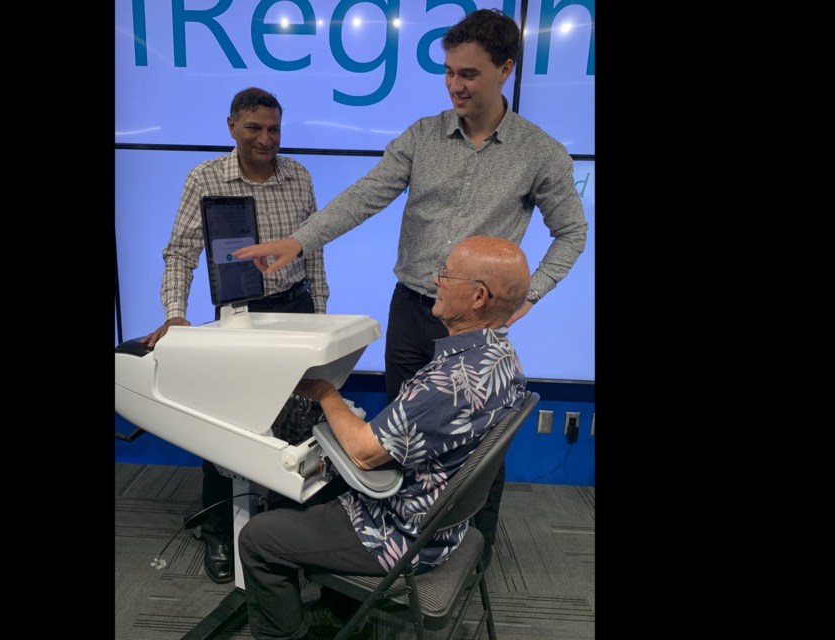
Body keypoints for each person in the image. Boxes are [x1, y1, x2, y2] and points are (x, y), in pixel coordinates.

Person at [233, 8, 587, 566]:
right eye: (449, 72)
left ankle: (472, 553)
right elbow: (365, 195)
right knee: (399, 438)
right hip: (413, 310)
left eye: (468, 74)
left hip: (476, 326)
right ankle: (389, 548)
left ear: (506, 70)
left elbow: (571, 234)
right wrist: (299, 242)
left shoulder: (539, 152)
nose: (455, 85)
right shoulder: (423, 136)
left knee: (475, 450)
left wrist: (530, 293)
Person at [238, 235, 530, 640]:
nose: (436, 280)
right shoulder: (503, 359)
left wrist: (325, 393)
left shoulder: (450, 383)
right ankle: (338, 612)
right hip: (447, 523)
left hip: (404, 536)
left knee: (258, 538)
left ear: (478, 297)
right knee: (313, 492)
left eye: (446, 274)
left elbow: (362, 452)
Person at [140, 87, 329, 585]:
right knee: (225, 425)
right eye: (254, 128)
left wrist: (322, 315)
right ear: (231, 127)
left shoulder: (299, 176)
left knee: (297, 423)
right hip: (240, 316)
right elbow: (179, 252)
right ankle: (221, 530)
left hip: (296, 310)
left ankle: (288, 532)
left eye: (274, 129)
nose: (266, 139)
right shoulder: (205, 178)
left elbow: (314, 251)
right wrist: (175, 314)